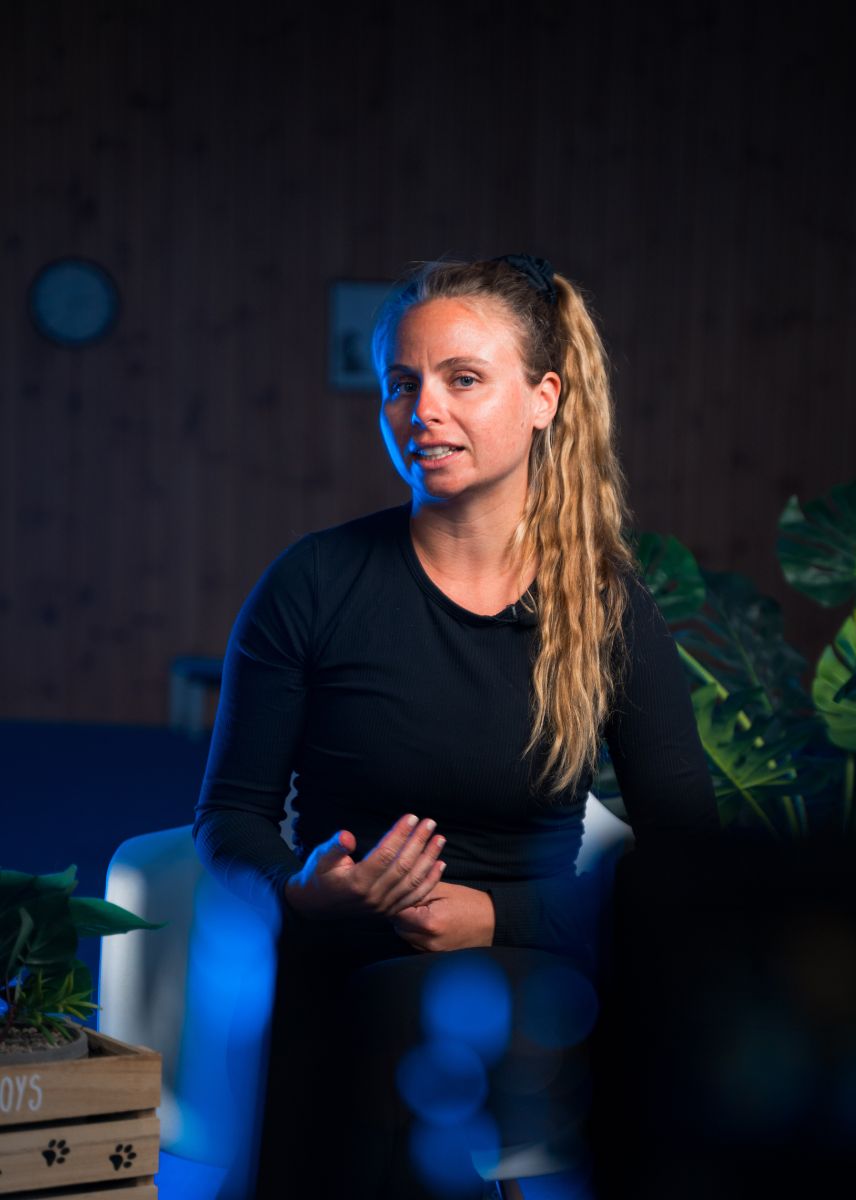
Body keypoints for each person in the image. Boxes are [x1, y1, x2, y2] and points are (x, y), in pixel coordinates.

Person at [192, 254, 719, 1199]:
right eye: (402, 383)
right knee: (332, 1025)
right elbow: (229, 817)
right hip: (336, 945)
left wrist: (493, 916)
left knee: (412, 1023)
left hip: (535, 950)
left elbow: (690, 859)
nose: (420, 409)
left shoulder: (604, 605)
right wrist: (303, 891)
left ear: (543, 398)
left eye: (461, 380)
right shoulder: (311, 583)